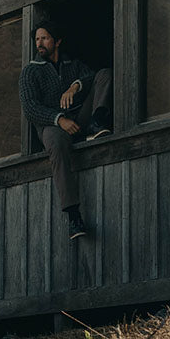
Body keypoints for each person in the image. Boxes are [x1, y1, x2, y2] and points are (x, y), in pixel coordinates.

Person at [18, 19, 112, 239]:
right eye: (37, 39)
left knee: (105, 74)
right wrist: (59, 119)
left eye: (45, 38)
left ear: (57, 41)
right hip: (52, 126)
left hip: (80, 117)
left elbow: (91, 76)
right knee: (56, 144)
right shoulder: (30, 72)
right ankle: (73, 216)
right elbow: (30, 108)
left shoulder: (72, 64)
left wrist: (74, 86)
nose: (39, 43)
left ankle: (98, 123)